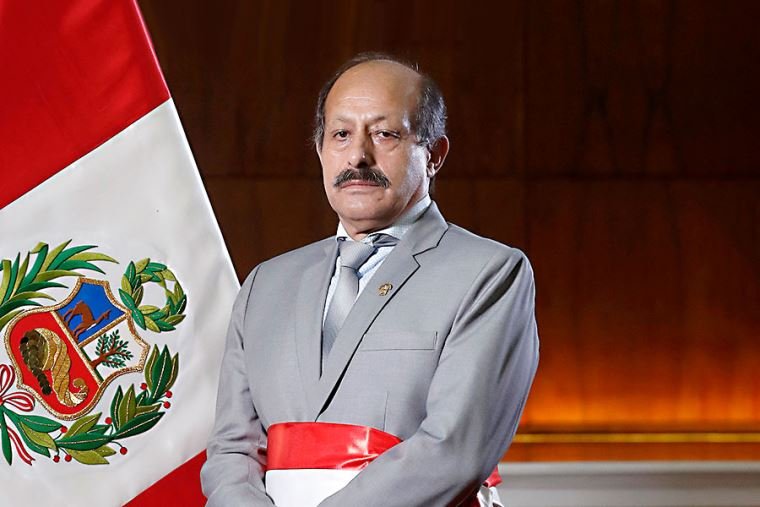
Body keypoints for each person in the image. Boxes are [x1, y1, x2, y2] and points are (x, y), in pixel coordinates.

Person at [201, 53, 539, 507]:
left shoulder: (489, 274)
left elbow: (453, 451)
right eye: (341, 134)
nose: (358, 156)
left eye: (385, 134)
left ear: (434, 155)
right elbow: (232, 450)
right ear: (320, 149)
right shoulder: (266, 284)